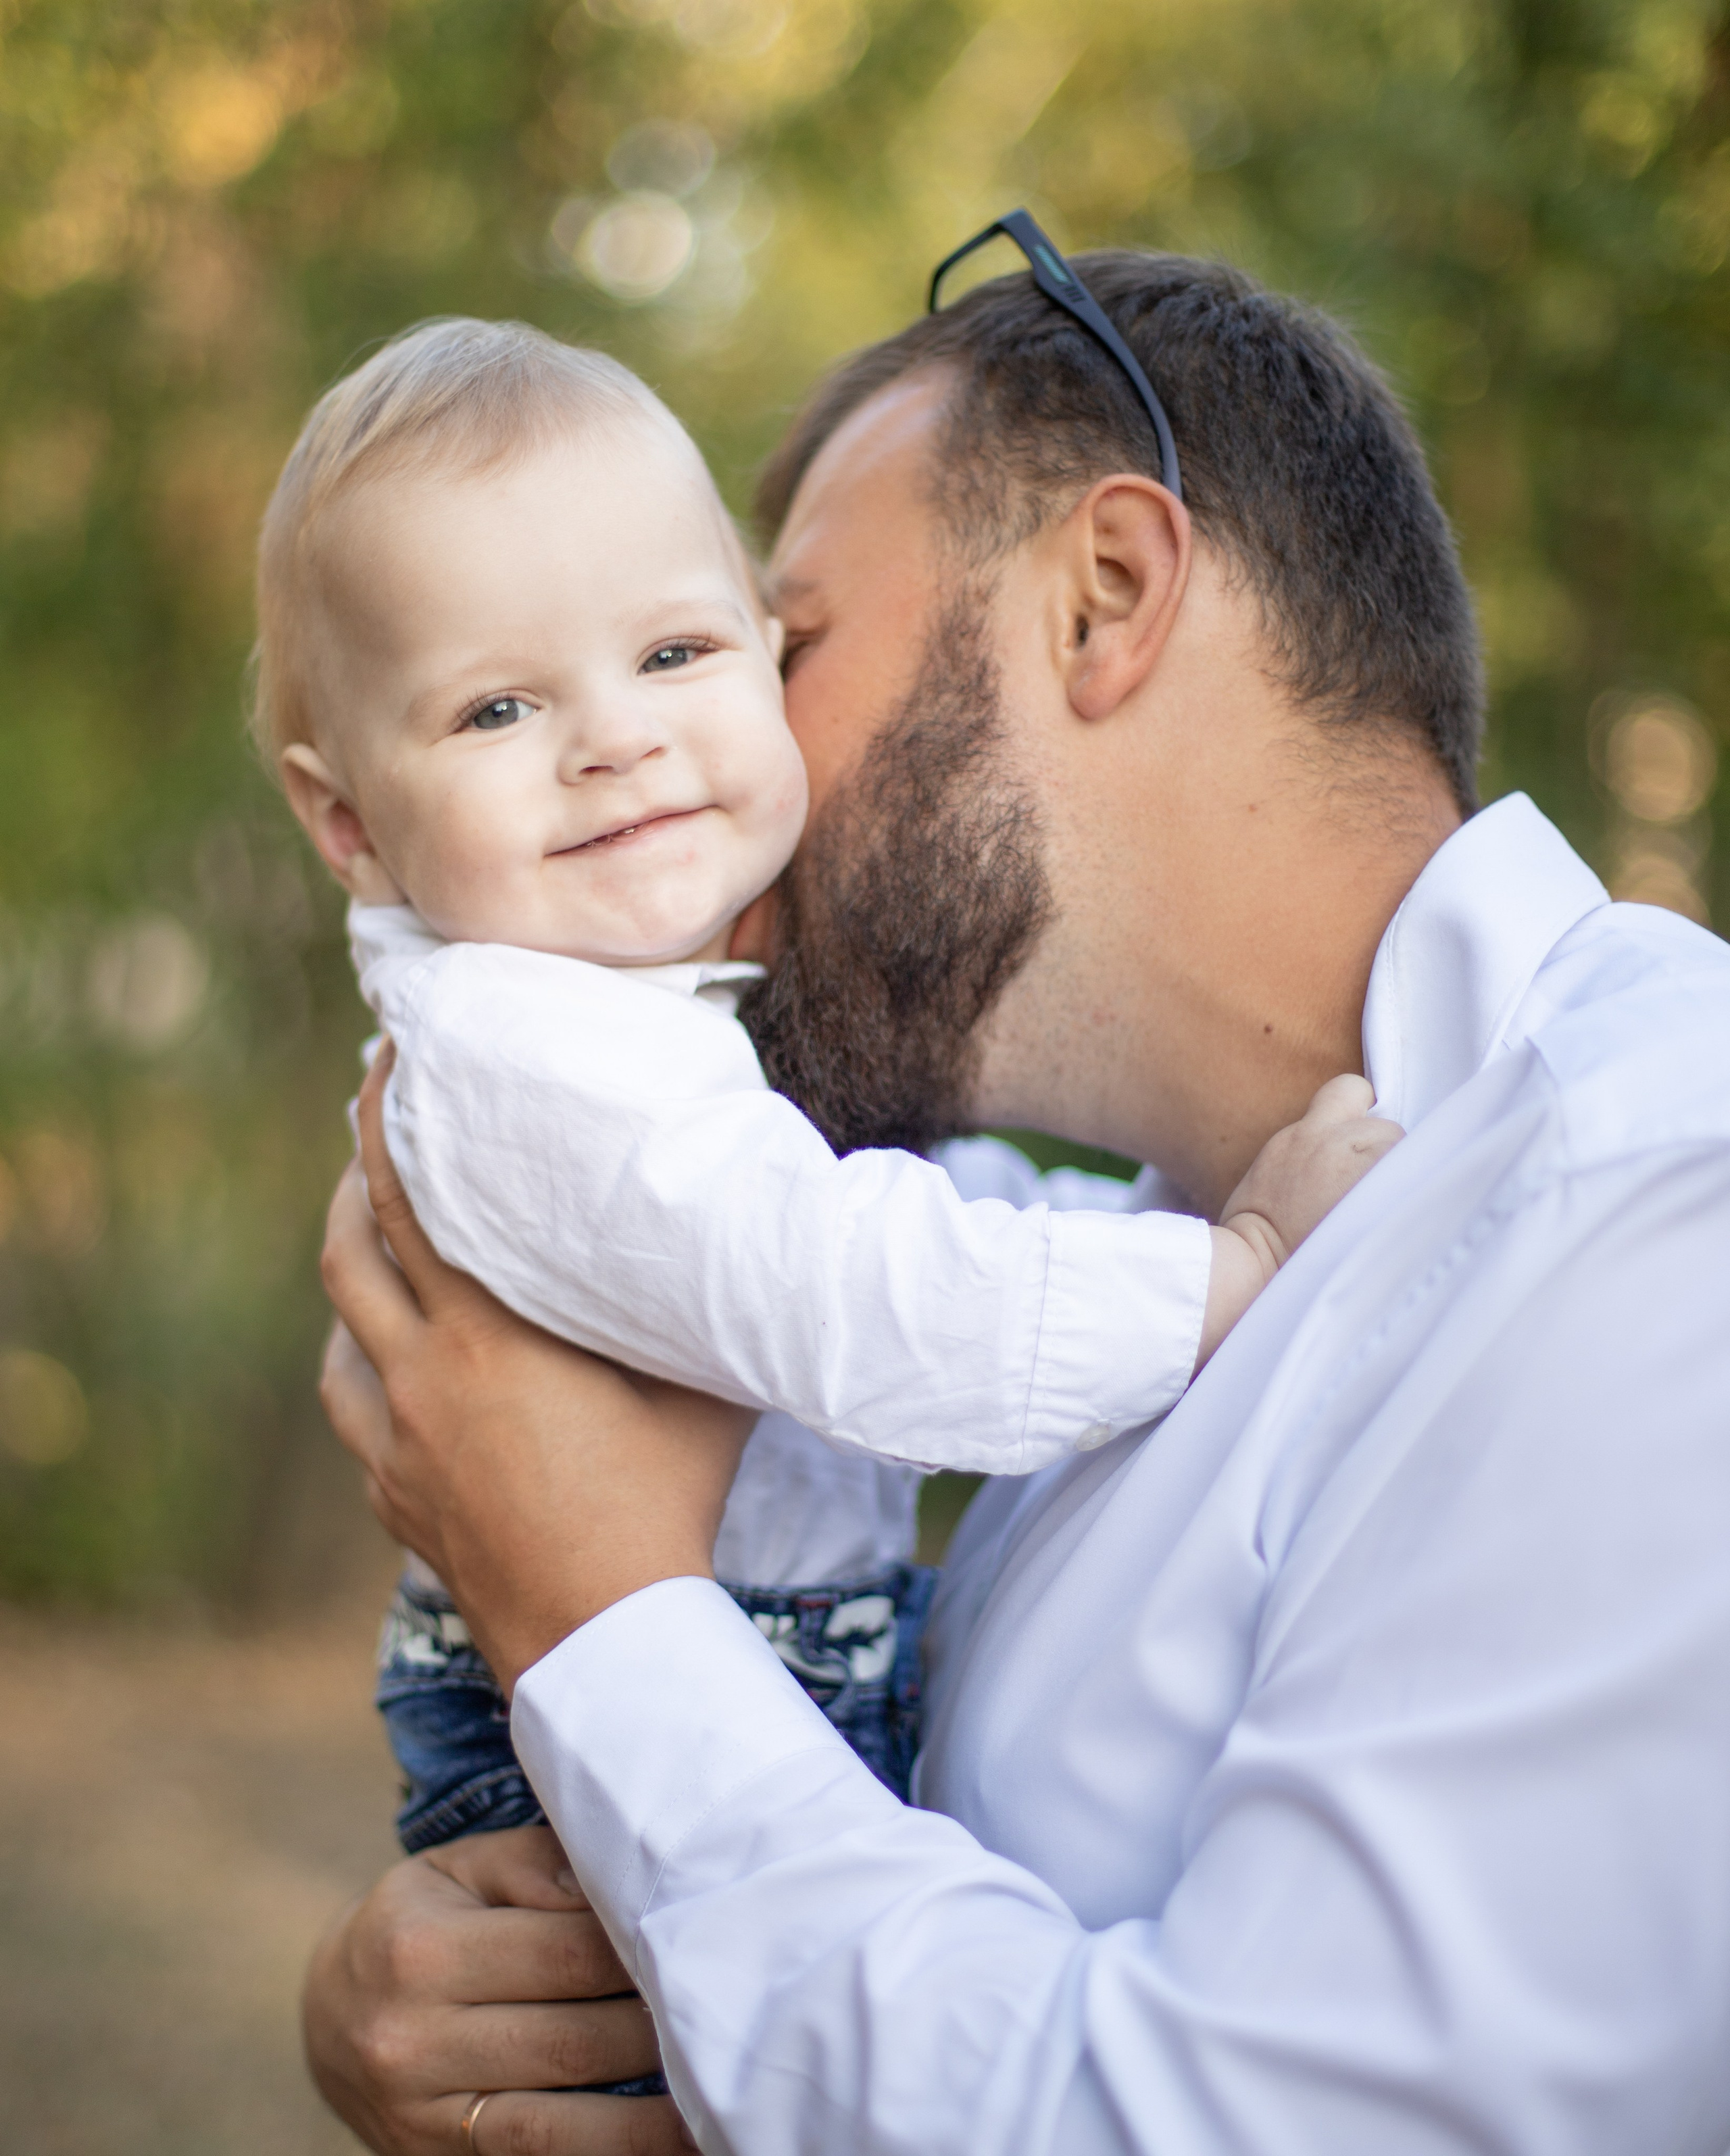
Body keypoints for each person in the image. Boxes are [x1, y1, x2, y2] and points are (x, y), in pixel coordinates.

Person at [305, 244, 1730, 2156]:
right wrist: (510, 2022)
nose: (714, 777)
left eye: (765, 644)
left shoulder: (1658, 1196)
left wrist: (598, 1614)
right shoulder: (1103, 1289)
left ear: (1107, 596)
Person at [257, 319, 1390, 1877]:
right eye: (495, 711)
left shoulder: (611, 1014)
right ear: (345, 820)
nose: (614, 738)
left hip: (765, 1650)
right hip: (644, 1714)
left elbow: (886, 1216)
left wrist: (1134, 1218)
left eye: (680, 653)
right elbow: (852, 1300)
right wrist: (1232, 1270)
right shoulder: (528, 1055)